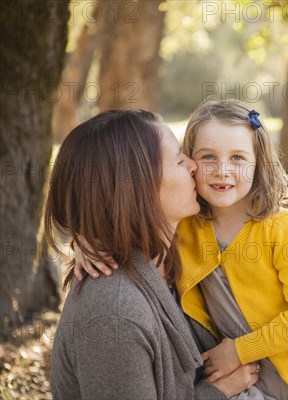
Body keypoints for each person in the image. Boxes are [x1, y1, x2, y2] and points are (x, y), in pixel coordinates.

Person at [76, 102, 288, 400]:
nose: (222, 171)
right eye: (208, 157)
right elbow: (128, 216)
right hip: (244, 379)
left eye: (237, 157)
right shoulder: (186, 225)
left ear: (259, 163)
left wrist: (238, 351)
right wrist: (89, 239)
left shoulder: (282, 227)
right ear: (190, 162)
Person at [46, 109, 260, 400]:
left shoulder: (184, 249)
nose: (195, 165)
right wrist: (217, 392)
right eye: (178, 159)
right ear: (137, 187)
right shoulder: (115, 314)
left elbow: (286, 301)